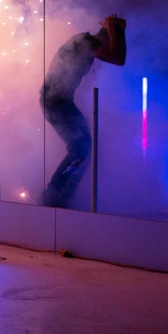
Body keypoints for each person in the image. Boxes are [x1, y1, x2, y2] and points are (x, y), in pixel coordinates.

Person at [40, 14, 126, 208]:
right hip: (54, 101)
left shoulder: (87, 42)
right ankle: (53, 194)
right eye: (111, 40)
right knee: (80, 148)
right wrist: (113, 28)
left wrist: (118, 30)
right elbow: (118, 57)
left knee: (84, 147)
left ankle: (61, 194)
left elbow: (119, 56)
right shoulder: (84, 41)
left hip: (60, 101)